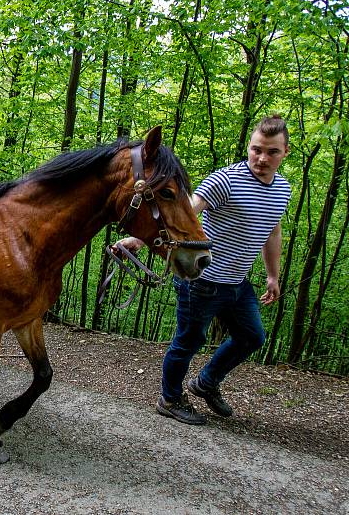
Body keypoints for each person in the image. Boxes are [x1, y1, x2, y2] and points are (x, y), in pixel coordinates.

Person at [118, 115, 291, 424]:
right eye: (256, 149)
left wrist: (273, 275)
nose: (262, 158)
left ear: (285, 153)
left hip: (237, 283)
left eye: (272, 152)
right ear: (249, 148)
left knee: (252, 336)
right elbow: (186, 211)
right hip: (202, 280)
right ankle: (169, 399)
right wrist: (139, 240)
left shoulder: (282, 190)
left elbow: (272, 231)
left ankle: (206, 382)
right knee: (188, 341)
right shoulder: (225, 180)